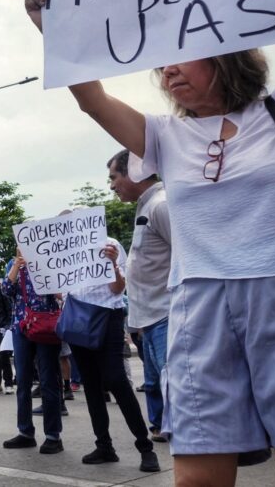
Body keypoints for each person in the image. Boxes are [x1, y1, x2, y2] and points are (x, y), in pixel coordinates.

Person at [26, 0, 275, 486]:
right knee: (197, 473)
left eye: (183, 56)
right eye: (163, 63)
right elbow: (92, 99)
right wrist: (53, 24)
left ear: (226, 54)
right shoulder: (164, 134)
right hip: (198, 302)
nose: (168, 70)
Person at [63, 235, 159, 473]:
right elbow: (60, 290)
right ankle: (104, 445)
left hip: (107, 317)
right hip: (78, 318)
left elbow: (118, 289)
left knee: (116, 379)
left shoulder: (109, 245)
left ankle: (145, 447)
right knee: (92, 385)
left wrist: (114, 264)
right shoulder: (65, 250)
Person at [108, 149, 172, 442]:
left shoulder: (160, 205)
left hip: (166, 315)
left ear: (134, 171)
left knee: (176, 388)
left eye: (114, 177)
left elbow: (188, 256)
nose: (112, 185)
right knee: (160, 384)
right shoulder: (146, 206)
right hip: (150, 318)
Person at [2, 250, 64, 455]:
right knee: (23, 381)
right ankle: (25, 432)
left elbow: (59, 293)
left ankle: (53, 435)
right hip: (22, 326)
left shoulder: (49, 262)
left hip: (45, 325)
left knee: (48, 380)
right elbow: (6, 290)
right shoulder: (14, 263)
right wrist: (16, 266)